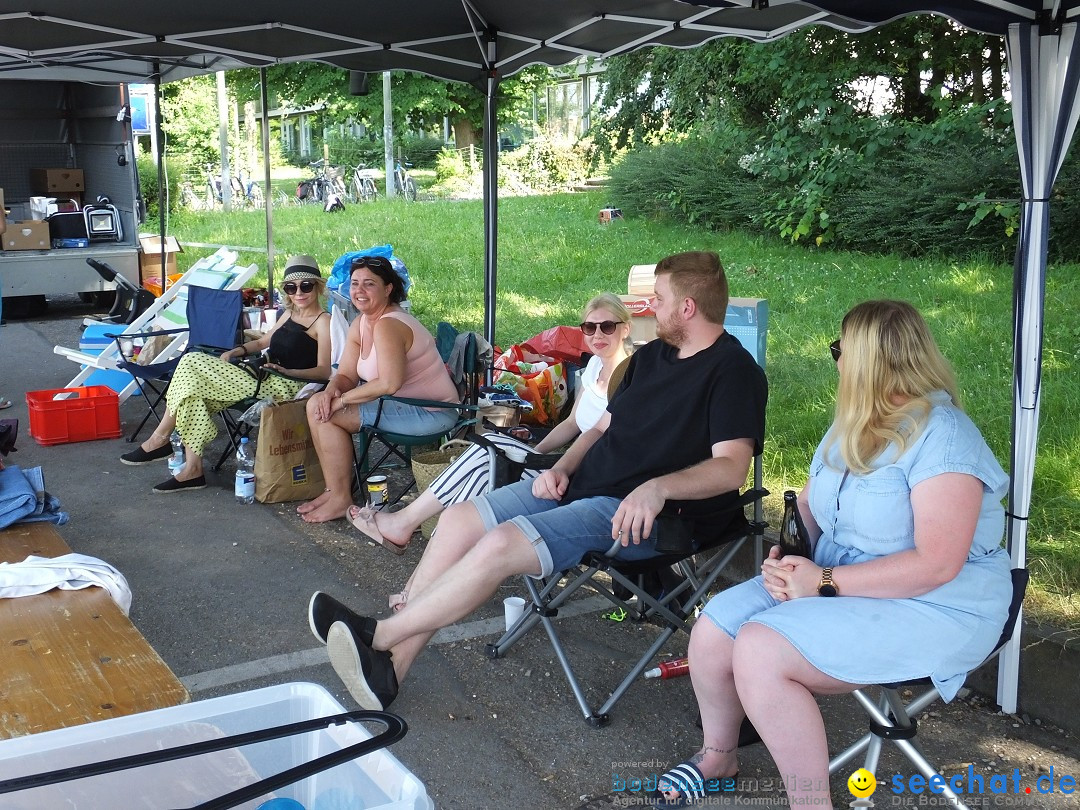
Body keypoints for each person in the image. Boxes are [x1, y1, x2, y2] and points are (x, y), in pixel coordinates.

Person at [306, 250, 768, 712]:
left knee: (501, 543)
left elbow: (731, 467)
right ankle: (392, 667)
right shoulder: (650, 359)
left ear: (688, 308)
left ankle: (380, 633)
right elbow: (602, 427)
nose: (652, 309)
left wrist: (659, 488)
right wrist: (563, 467)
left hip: (644, 515)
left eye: (660, 300)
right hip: (580, 483)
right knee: (459, 521)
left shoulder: (733, 372)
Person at [651, 300, 1012, 809]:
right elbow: (813, 500)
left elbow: (938, 564)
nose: (835, 359)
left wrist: (823, 580)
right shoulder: (856, 422)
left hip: (938, 601)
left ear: (865, 359)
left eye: (839, 349)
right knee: (714, 629)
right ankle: (718, 755)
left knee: (759, 650)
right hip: (839, 578)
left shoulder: (943, 436)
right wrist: (791, 543)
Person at [345, 292, 633, 568]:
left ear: (626, 328)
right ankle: (430, 566)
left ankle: (410, 530)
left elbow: (602, 437)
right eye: (589, 327)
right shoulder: (594, 366)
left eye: (607, 327)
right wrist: (533, 452)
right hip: (563, 464)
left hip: (585, 476)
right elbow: (570, 424)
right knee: (489, 450)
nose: (597, 334)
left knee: (487, 459)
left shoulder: (631, 377)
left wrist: (547, 462)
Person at [120, 255, 333, 493]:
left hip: (286, 386)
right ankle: (192, 470)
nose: (298, 293)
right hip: (261, 375)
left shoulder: (323, 321)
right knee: (193, 394)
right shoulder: (289, 313)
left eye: (306, 286)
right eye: (291, 287)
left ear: (318, 286)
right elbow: (263, 341)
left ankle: (160, 439)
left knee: (191, 361)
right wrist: (237, 350)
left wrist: (286, 370)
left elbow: (325, 371)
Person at [296, 255, 460, 523]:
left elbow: (389, 383)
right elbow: (347, 373)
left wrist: (341, 401)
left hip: (432, 413)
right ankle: (333, 490)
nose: (359, 291)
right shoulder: (362, 322)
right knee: (319, 403)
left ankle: (340, 498)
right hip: (399, 405)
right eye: (355, 283)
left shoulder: (389, 324)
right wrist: (330, 392)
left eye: (369, 284)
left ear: (388, 289)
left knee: (325, 412)